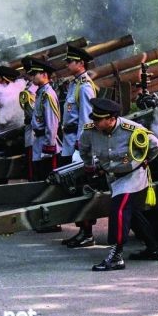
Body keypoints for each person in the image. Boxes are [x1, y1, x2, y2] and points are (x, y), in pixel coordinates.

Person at [81, 97, 158, 271]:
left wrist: (144, 160)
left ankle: (116, 256)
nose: (94, 122)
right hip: (112, 177)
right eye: (93, 118)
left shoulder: (132, 130)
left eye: (98, 119)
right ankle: (153, 249)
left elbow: (156, 144)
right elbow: (84, 149)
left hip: (132, 176)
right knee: (132, 214)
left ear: (111, 119)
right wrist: (90, 167)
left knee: (118, 209)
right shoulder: (90, 131)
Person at [61, 45, 98, 249]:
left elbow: (87, 119)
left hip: (78, 145)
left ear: (80, 63)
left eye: (70, 61)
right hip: (69, 141)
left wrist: (82, 145)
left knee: (83, 188)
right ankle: (81, 231)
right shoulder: (74, 84)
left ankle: (88, 232)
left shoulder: (84, 86)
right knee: (74, 190)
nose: (67, 64)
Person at [28, 58, 62, 182]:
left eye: (35, 74)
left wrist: (48, 147)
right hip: (39, 141)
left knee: (49, 180)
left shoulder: (48, 94)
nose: (32, 77)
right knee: (40, 178)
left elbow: (52, 123)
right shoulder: (41, 93)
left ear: (44, 75)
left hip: (46, 145)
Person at [18, 57, 39, 180]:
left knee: (33, 157)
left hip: (33, 128)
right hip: (31, 127)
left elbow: (32, 111)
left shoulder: (32, 88)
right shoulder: (30, 86)